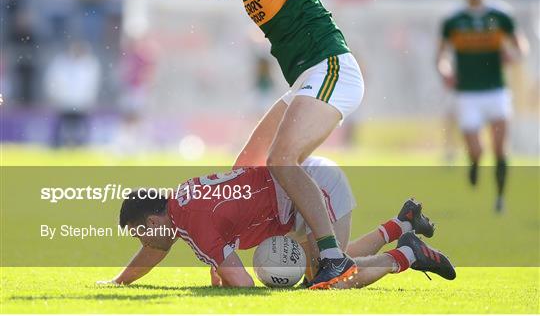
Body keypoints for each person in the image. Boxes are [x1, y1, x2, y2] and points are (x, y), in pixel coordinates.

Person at [166, 0, 364, 287]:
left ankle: (331, 255)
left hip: (332, 68)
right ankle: (394, 244)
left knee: (281, 160)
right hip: (307, 78)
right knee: (248, 162)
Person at [96, 156, 455, 289]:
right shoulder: (180, 203)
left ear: (157, 218)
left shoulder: (190, 221)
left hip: (309, 187)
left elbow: (241, 281)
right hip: (292, 197)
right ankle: (401, 225)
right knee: (329, 262)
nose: (144, 243)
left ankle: (407, 254)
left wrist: (235, 277)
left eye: (142, 233)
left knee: (331, 278)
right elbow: (155, 253)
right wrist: (118, 281)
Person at [436, 0, 528, 212]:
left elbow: (521, 46)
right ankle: (475, 162)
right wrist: (445, 70)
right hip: (467, 94)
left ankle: (500, 198)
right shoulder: (453, 20)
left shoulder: (501, 15)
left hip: (497, 90)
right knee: (477, 148)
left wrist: (514, 55)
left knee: (500, 147)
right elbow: (441, 55)